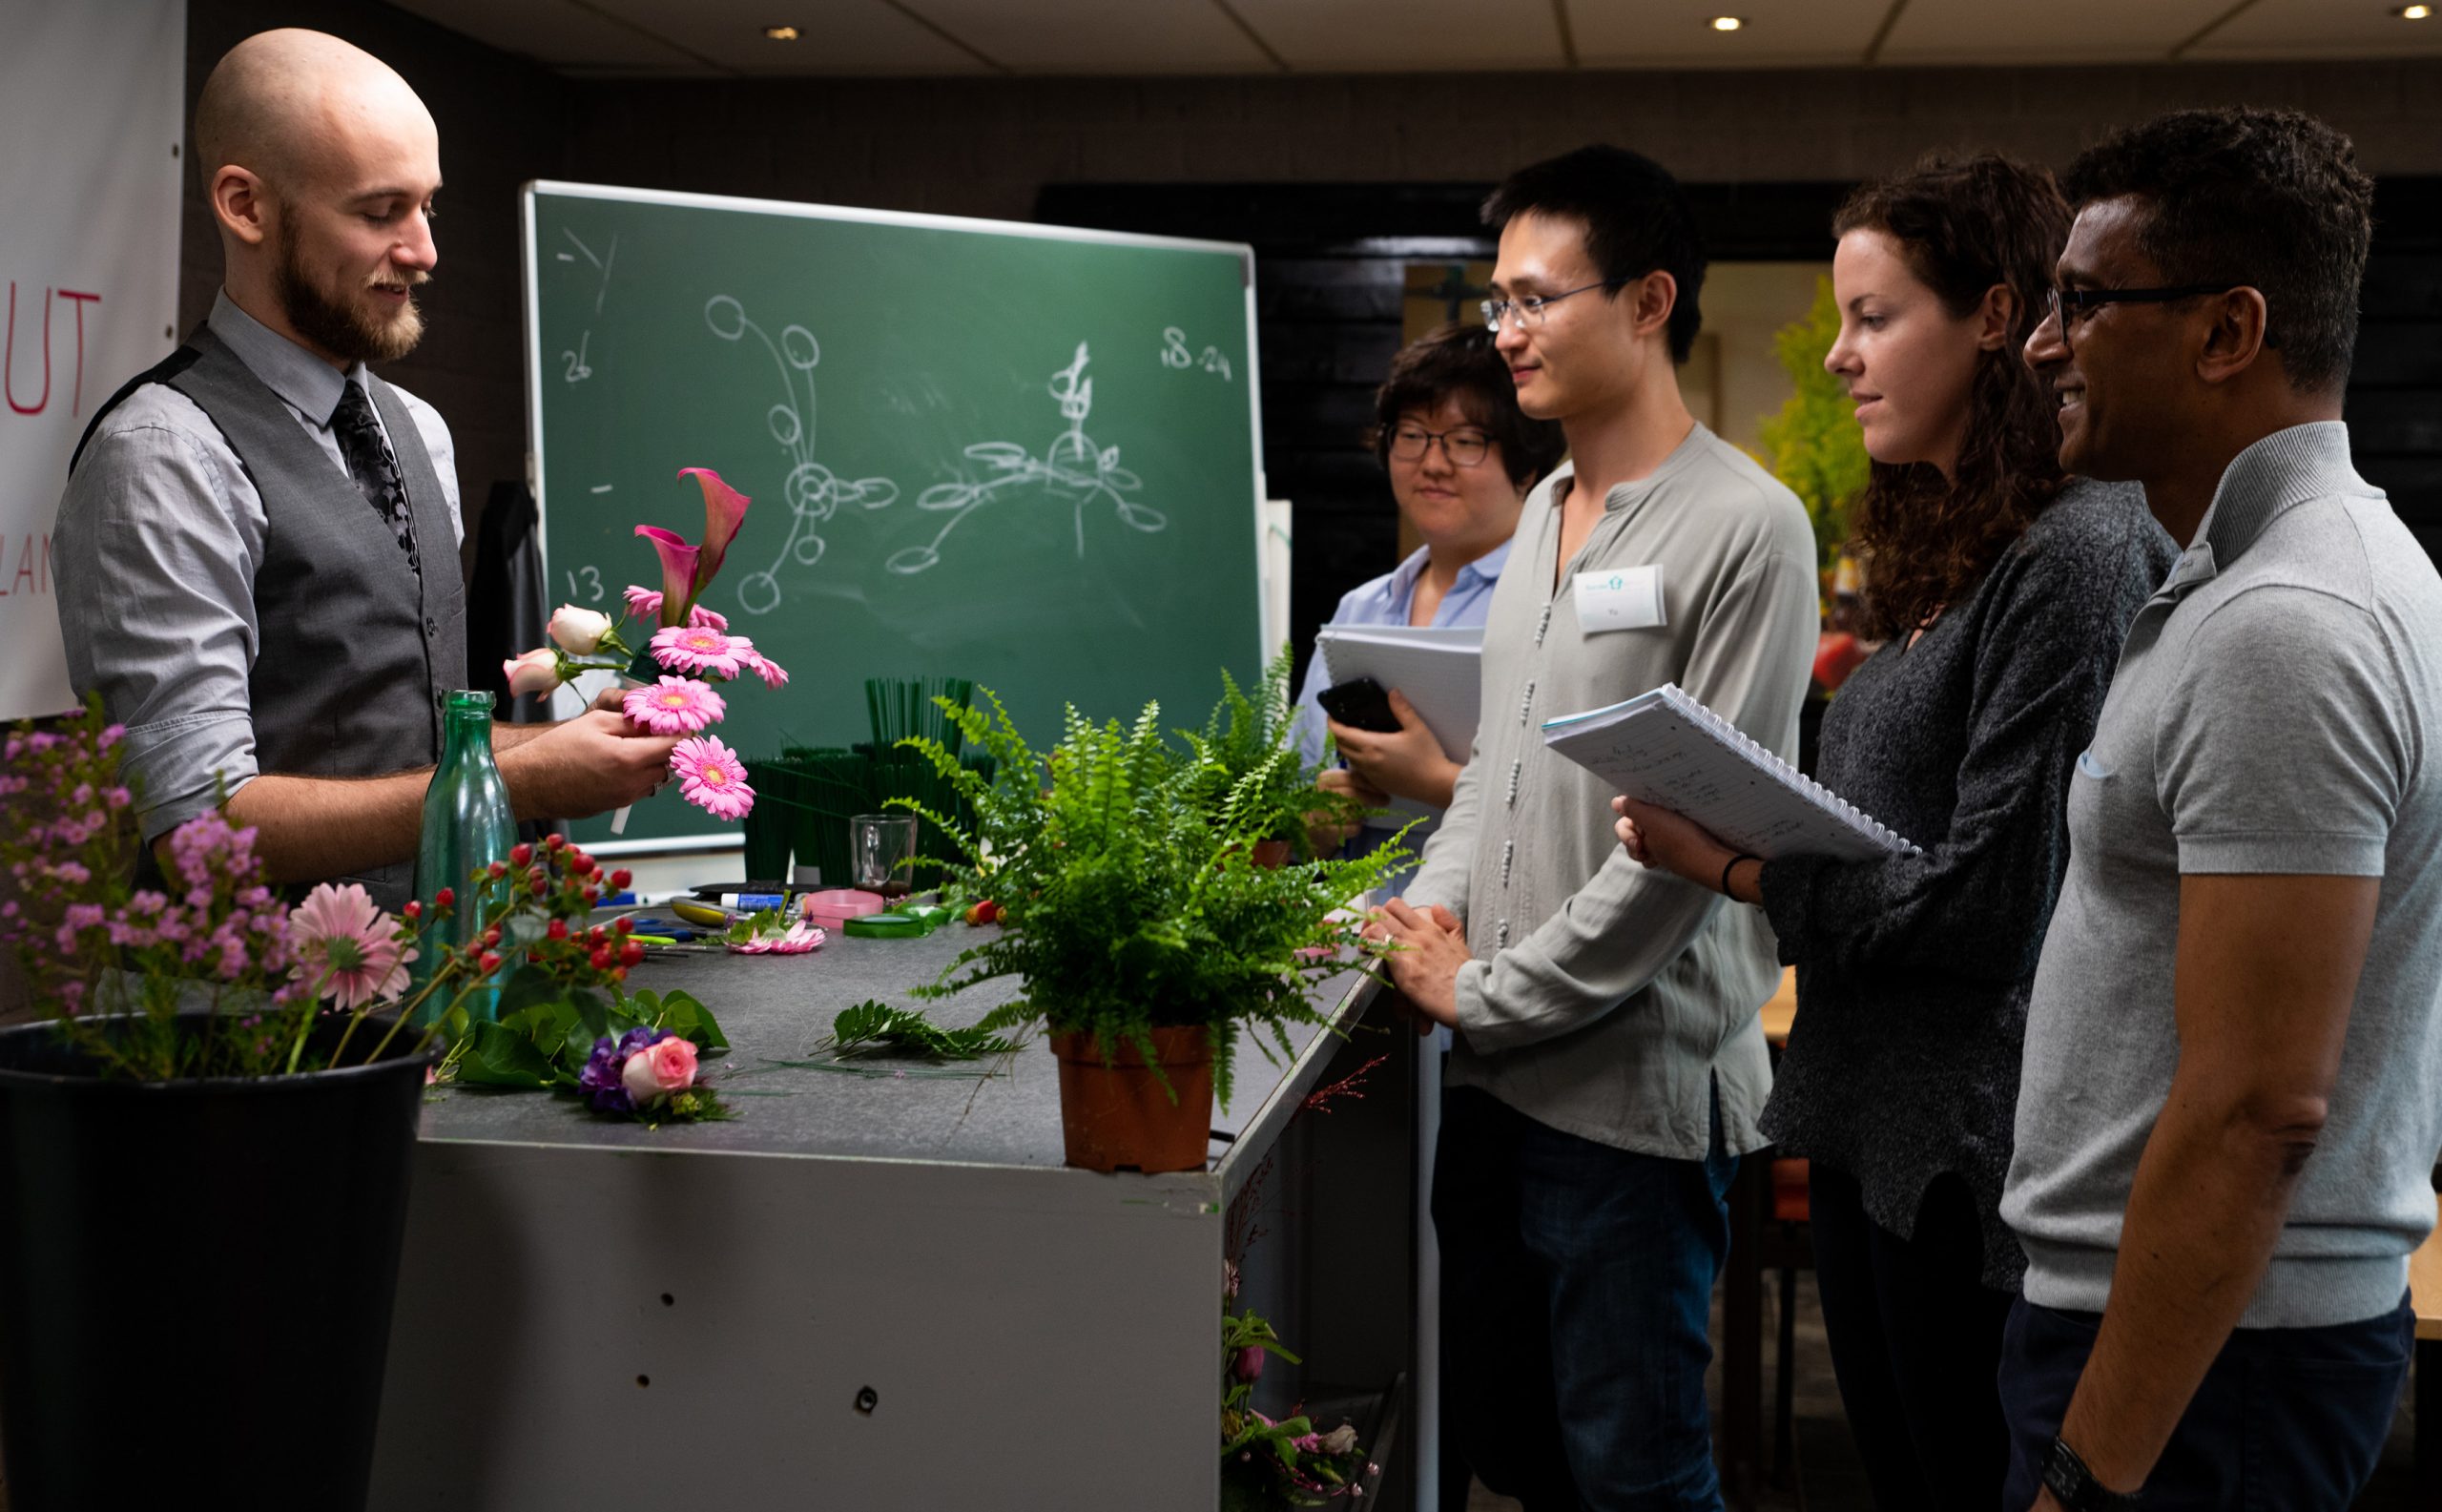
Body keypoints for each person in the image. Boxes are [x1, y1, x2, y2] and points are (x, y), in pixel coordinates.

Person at [1608, 155, 2175, 1509]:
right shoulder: (1954, 547)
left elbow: (1989, 904)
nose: (1841, 356)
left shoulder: (2079, 553)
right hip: (1875, 1121)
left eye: (1874, 318)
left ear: (1995, 318)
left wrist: (1741, 866)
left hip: (1983, 1155)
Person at [1996, 107, 2442, 1512]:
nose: (2042, 344)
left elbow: (2259, 1111)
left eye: (2083, 301)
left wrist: (2091, 1473)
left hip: (2208, 1364)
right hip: (2192, 1335)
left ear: (2226, 331)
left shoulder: (2288, 623)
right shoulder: (2256, 579)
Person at [1371, 145, 1819, 1511]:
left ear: (1646, 301)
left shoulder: (1748, 527)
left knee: (1638, 1474)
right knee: (1514, 1451)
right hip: (1491, 1080)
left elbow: (1687, 851)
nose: (1505, 330)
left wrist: (1484, 992)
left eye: (1535, 298)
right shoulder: (1543, 513)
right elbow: (1492, 773)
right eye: (1497, 300)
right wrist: (1428, 919)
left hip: (1627, 1105)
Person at [53, 30, 673, 911]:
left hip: (437, 975)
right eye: (382, 212)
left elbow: (405, 744)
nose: (424, 252)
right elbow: (199, 828)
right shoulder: (160, 455)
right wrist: (525, 780)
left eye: (428, 208)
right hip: (257, 996)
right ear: (246, 206)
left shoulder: (419, 430)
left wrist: (568, 744)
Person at [1290, 321, 1564, 887]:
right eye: (1413, 435)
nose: (1433, 463)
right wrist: (1309, 824)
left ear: (1527, 466)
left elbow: (1576, 818)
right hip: (1346, 927)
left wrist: (1436, 781)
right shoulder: (1359, 610)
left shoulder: (1554, 604)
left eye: (1465, 441)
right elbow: (1289, 792)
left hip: (1476, 928)